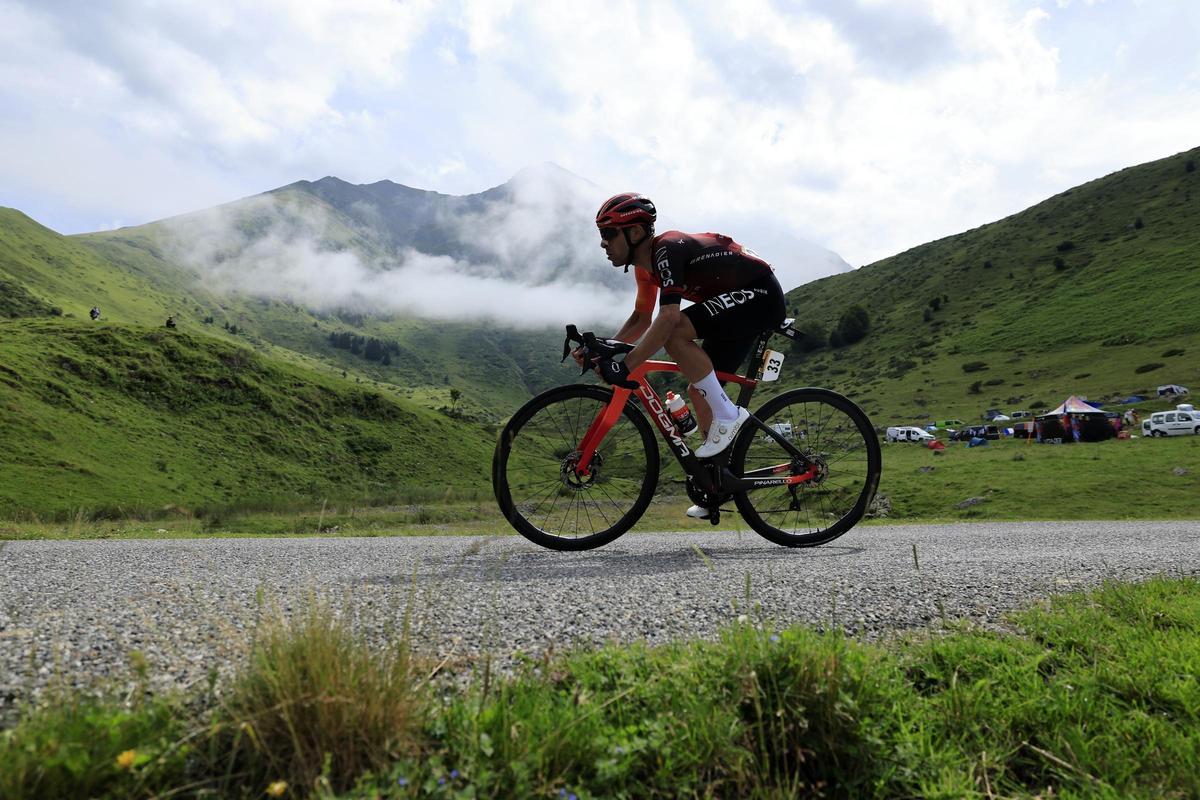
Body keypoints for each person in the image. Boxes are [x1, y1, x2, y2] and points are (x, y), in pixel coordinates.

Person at [582, 193, 786, 518]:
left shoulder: (667, 248)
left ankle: (729, 417)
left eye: (608, 234)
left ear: (635, 233)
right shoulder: (645, 270)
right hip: (734, 305)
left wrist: (627, 364)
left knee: (676, 331)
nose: (603, 243)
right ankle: (716, 483)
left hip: (760, 296)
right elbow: (640, 319)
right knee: (699, 389)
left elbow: (667, 319)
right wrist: (605, 349)